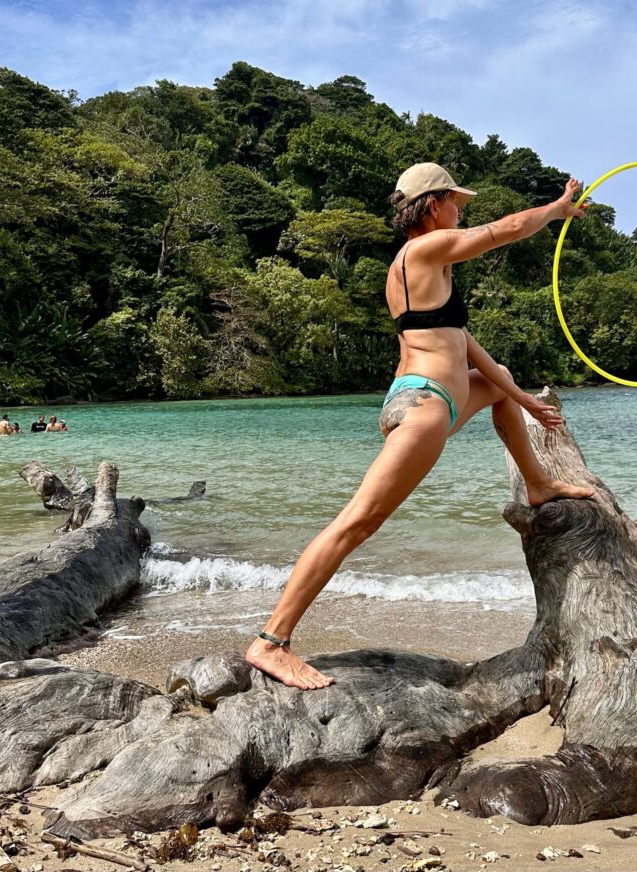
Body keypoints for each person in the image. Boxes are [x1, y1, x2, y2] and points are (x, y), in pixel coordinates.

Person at [245, 163, 595, 690]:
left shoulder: (430, 272)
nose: (461, 211)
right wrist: (557, 208)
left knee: (498, 382)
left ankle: (539, 483)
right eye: (456, 202)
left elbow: (469, 349)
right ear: (433, 204)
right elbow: (504, 231)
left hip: (434, 400)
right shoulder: (421, 252)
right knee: (356, 524)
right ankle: (271, 642)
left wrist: (523, 400)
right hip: (424, 406)